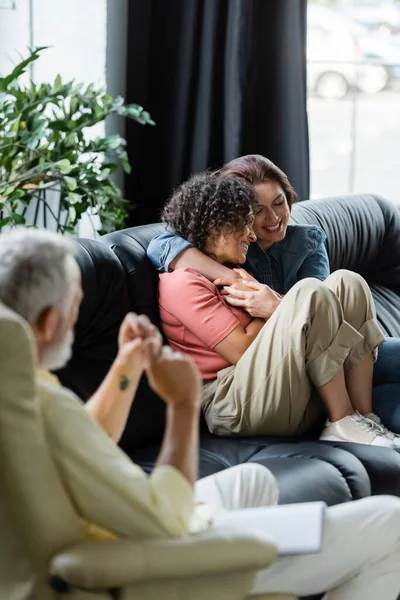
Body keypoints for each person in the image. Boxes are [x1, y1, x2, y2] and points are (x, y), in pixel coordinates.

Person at [0, 228, 399, 600]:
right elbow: (164, 521)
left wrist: (126, 367)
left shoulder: (26, 389)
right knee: (392, 520)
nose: (75, 318)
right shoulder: (49, 409)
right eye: (74, 308)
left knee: (253, 481)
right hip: (151, 565)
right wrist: (184, 405)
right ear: (50, 321)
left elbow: (87, 437)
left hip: (133, 527)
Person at [148, 154, 400, 435]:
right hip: (264, 381)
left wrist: (274, 304)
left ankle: (363, 419)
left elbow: (323, 312)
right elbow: (161, 245)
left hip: (321, 357)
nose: (272, 218)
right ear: (227, 218)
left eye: (279, 203)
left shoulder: (303, 242)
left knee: (348, 282)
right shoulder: (221, 262)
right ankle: (343, 419)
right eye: (255, 213)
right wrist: (235, 279)